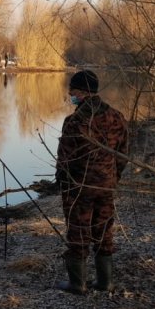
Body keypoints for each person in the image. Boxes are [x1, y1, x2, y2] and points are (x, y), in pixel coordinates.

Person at [55, 70, 129, 294]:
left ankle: (78, 284)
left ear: (82, 92)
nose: (70, 94)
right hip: (106, 186)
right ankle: (105, 282)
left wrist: (63, 183)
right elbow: (123, 154)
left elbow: (65, 160)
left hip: (80, 189)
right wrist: (112, 176)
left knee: (78, 232)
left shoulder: (75, 121)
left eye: (73, 91)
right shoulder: (117, 117)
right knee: (104, 231)